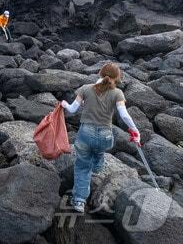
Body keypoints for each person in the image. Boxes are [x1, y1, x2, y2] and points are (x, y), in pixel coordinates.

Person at [60, 63, 141, 213]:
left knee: (83, 168)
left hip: (85, 133)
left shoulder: (85, 89)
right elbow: (123, 115)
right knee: (99, 150)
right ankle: (97, 165)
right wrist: (135, 130)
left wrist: (64, 104)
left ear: (99, 73)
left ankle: (79, 201)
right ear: (117, 78)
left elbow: (72, 110)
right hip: (105, 136)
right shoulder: (117, 93)